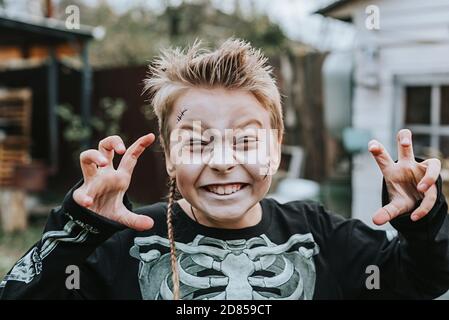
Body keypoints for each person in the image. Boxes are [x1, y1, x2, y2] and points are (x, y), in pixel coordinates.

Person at [1, 39, 448, 300]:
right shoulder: (121, 245)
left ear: (276, 150)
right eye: (196, 142)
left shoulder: (322, 236)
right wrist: (77, 229)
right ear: (171, 159)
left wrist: (422, 221)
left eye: (247, 140)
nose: (222, 160)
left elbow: (426, 279)